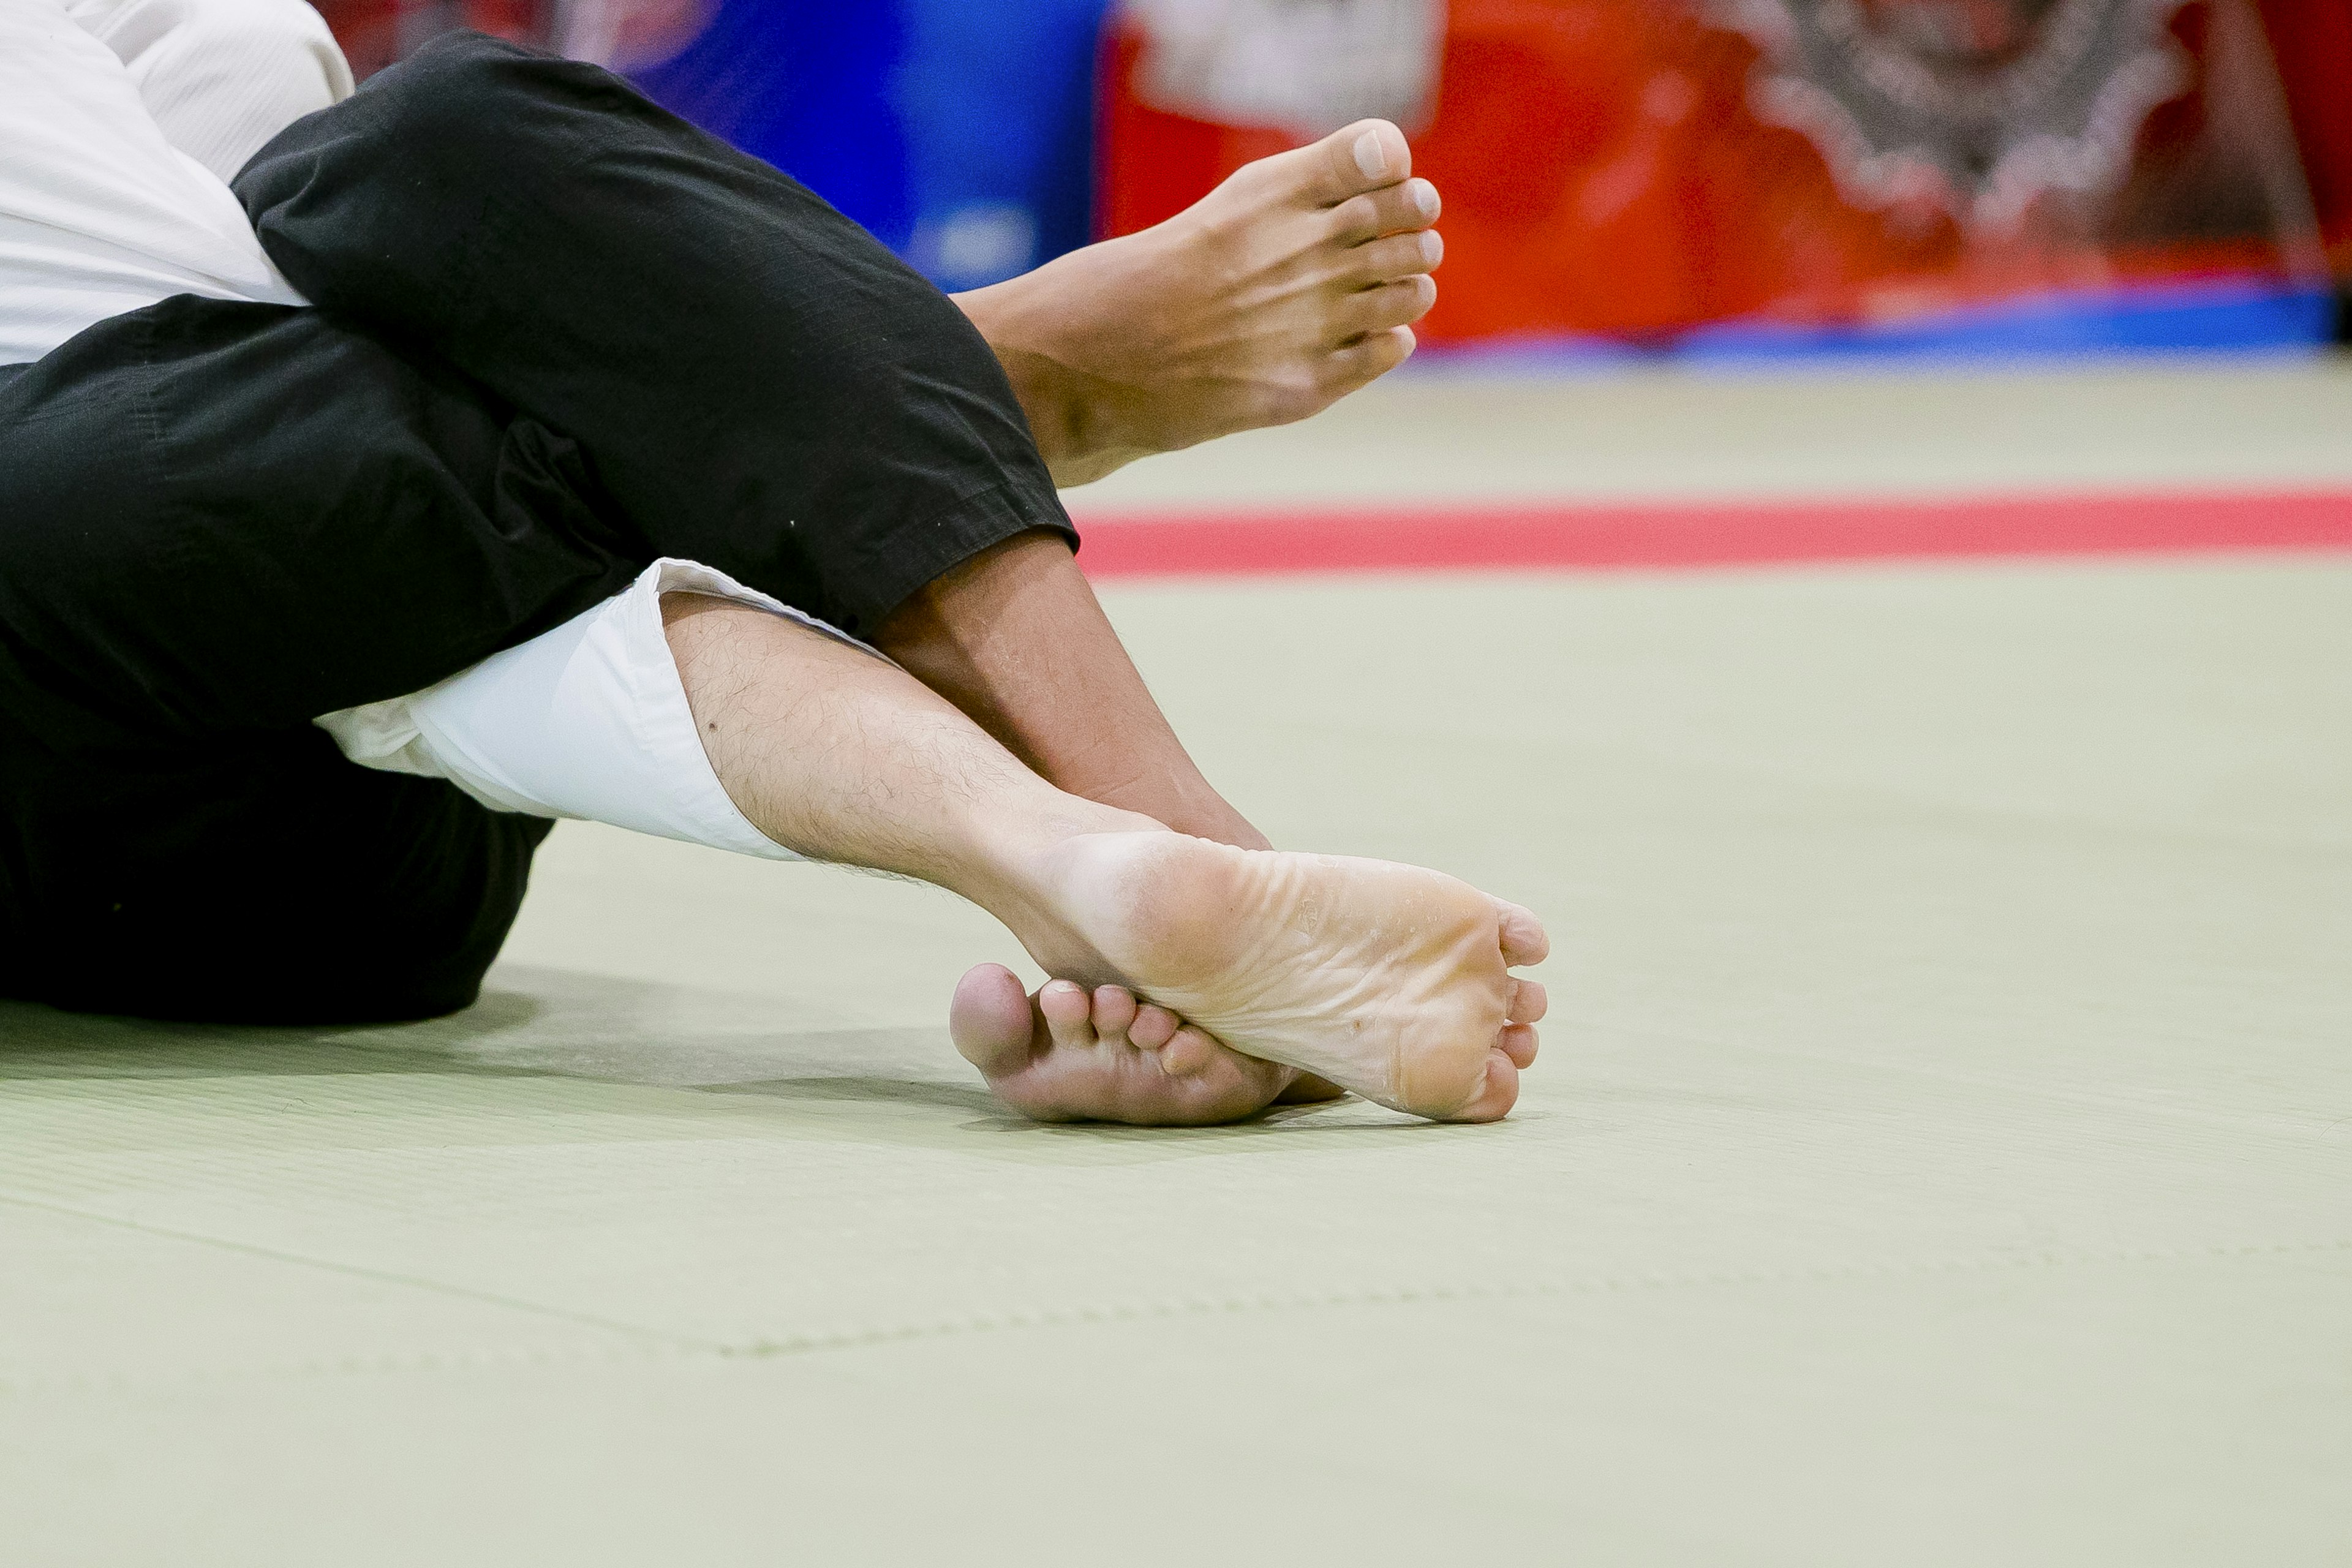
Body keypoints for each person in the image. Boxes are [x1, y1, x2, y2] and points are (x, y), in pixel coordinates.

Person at [0, 0, 1548, 1123]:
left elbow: (271, 206)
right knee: (148, 430)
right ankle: (985, 403)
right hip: (128, 824)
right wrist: (777, 366)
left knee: (431, 137)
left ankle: (1119, 866)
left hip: (344, 828)